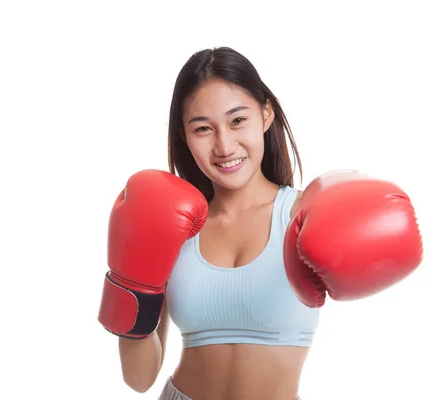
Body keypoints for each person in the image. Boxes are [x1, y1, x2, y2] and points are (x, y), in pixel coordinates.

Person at [97, 47, 423, 400]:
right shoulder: (170, 224)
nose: (224, 146)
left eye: (238, 121)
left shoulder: (303, 215)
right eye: (203, 128)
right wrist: (132, 280)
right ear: (184, 135)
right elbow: (138, 378)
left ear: (265, 113)